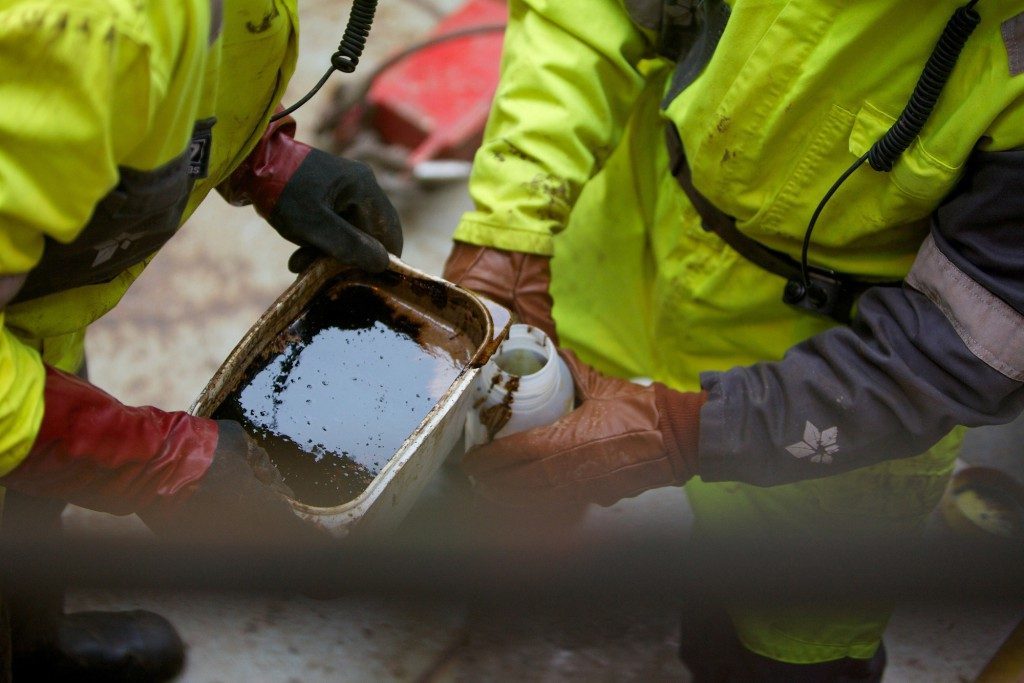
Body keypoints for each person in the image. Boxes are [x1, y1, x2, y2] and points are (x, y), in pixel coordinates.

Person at [442, 0, 1024, 679]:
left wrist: (696, 430)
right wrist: (512, 222)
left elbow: (972, 342)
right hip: (638, 240)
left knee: (783, 643)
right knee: (520, 440)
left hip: (836, 368)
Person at [0, 0, 401, 680]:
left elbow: (183, 57)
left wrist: (259, 153)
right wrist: (145, 458)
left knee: (28, 493)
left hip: (33, 328)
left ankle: (30, 638)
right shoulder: (85, 28)